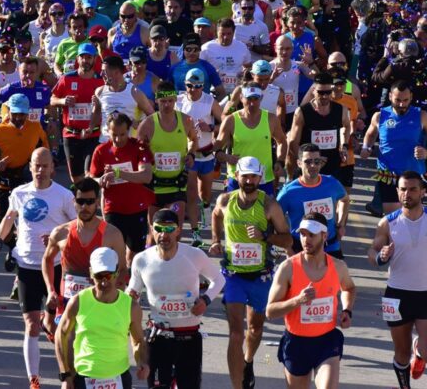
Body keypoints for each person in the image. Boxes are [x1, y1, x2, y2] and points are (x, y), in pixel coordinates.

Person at [0, 148, 75, 389]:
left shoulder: (63, 195)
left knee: (61, 324)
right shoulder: (19, 193)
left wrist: (57, 236)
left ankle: (68, 372)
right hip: (26, 265)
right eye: (37, 165)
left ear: (53, 168)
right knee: (31, 323)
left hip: (55, 266)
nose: (41, 170)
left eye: (45, 166)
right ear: (31, 167)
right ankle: (33, 379)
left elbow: (77, 223)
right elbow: (8, 218)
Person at [368, 171, 427, 388]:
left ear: (422, 192)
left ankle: (420, 351)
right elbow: (372, 251)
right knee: (401, 352)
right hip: (396, 295)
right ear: (397, 192)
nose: (407, 194)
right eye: (403, 189)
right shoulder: (387, 223)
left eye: (413, 189)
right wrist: (380, 257)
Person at [209, 156, 292, 389]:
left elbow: (287, 240)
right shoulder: (225, 200)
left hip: (260, 275)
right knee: (236, 333)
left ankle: (247, 361)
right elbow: (215, 214)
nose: (248, 181)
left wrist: (265, 235)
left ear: (260, 178)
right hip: (233, 276)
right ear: (237, 176)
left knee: (254, 329)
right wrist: (216, 240)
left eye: (253, 176)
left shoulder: (269, 206)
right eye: (244, 176)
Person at [127, 208, 226, 389]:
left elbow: (219, 279)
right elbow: (132, 291)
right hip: (158, 338)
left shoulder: (194, 255)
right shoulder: (141, 260)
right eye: (159, 229)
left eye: (170, 229)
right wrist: (129, 295)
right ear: (151, 229)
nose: (164, 234)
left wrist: (205, 300)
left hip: (189, 338)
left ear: (179, 230)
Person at [266, 212, 355, 389]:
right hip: (296, 343)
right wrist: (297, 300)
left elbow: (349, 288)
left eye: (311, 235)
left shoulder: (338, 266)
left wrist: (347, 310)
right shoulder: (288, 268)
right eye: (303, 234)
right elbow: (270, 311)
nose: (306, 240)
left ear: (324, 235)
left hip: (327, 341)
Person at [55, 247, 149, 389]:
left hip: (119, 378)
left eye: (109, 275)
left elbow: (138, 341)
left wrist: (142, 361)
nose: (104, 282)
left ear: (117, 272)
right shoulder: (78, 302)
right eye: (99, 276)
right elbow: (60, 335)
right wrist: (65, 375)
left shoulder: (131, 306)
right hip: (84, 377)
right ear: (91, 273)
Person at [43, 177, 126, 315]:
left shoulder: (112, 234)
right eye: (80, 201)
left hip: (100, 305)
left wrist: (114, 299)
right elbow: (47, 260)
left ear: (97, 203)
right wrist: (51, 290)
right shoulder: (60, 233)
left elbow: (122, 270)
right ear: (73, 202)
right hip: (68, 304)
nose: (85, 207)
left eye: (90, 202)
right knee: (64, 337)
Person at [0, 92, 49, 247]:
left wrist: (46, 169)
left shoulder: (36, 128)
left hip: (26, 180)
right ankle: (11, 247)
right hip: (4, 180)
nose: (17, 118)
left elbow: (45, 150)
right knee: (4, 220)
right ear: (8, 111)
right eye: (14, 114)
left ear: (28, 112)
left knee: (28, 219)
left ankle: (20, 251)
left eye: (22, 114)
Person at [361, 82, 427, 215]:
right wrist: (366, 147)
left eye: (405, 100)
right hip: (388, 175)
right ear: (390, 96)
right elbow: (370, 134)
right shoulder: (380, 116)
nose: (402, 104)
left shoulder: (422, 116)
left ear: (411, 97)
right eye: (398, 100)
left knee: (411, 217)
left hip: (413, 176)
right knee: (394, 220)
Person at [90, 113, 155, 265]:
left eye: (122, 134)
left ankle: (131, 286)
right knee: (114, 254)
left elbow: (146, 176)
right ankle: (119, 285)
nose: (118, 139)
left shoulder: (139, 147)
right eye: (114, 135)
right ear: (108, 131)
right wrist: (100, 180)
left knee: (134, 255)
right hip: (113, 209)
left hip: (136, 208)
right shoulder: (101, 150)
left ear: (129, 130)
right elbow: (90, 179)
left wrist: (118, 173)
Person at [136, 87, 199, 242]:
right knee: (154, 235)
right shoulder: (147, 124)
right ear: (157, 101)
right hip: (154, 186)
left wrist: (191, 153)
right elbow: (137, 152)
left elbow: (194, 139)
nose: (167, 105)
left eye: (170, 101)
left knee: (175, 232)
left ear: (175, 100)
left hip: (177, 185)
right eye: (163, 101)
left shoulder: (186, 120)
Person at [277, 144, 349, 259]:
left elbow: (345, 200)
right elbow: (275, 219)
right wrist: (288, 248)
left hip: (330, 246)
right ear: (299, 163)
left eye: (317, 161)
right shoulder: (288, 192)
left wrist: (341, 224)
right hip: (300, 248)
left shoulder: (331, 183)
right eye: (308, 162)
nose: (313, 165)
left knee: (337, 276)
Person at [215, 84, 288, 194]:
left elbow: (282, 142)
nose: (252, 103)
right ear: (241, 98)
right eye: (248, 99)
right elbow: (217, 148)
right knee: (233, 210)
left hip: (263, 177)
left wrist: (280, 162)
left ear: (261, 98)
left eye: (256, 99)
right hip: (238, 177)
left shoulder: (271, 119)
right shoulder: (231, 120)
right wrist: (226, 157)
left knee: (264, 211)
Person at [176, 68, 224, 235]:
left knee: (205, 194)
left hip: (206, 154)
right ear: (185, 85)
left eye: (197, 86)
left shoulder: (209, 101)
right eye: (190, 85)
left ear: (203, 86)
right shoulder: (179, 101)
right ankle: (195, 230)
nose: (193, 89)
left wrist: (210, 127)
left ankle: (206, 211)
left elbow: (226, 124)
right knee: (191, 193)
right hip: (189, 155)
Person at [51, 46, 105, 185]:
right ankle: (79, 204)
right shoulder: (67, 78)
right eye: (82, 57)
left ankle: (90, 203)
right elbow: (52, 99)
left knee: (90, 174)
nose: (85, 60)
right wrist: (63, 101)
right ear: (77, 59)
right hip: (71, 134)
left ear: (94, 59)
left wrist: (99, 103)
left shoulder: (101, 80)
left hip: (93, 135)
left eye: (89, 57)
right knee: (76, 179)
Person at [288, 73, 350, 185]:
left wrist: (344, 145)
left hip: (332, 165)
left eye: (328, 92)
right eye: (321, 92)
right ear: (313, 90)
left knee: (331, 200)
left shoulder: (341, 110)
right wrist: (311, 161)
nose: (325, 96)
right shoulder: (302, 112)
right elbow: (293, 143)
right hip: (309, 168)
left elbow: (346, 126)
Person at [91, 55, 153, 142]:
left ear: (116, 72)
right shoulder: (99, 92)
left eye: (104, 71)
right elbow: (96, 113)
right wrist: (90, 128)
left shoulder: (135, 93)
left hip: (128, 146)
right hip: (105, 144)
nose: (101, 74)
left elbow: (153, 116)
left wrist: (139, 124)